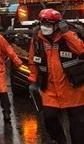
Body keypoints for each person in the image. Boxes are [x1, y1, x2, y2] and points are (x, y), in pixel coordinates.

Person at [28, 8, 84, 144]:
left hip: (73, 89)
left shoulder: (70, 35)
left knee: (78, 127)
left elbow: (81, 50)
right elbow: (33, 61)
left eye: (48, 24)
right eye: (42, 24)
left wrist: (66, 33)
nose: (44, 27)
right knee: (49, 118)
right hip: (50, 90)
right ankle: (60, 141)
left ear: (57, 24)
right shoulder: (37, 39)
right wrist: (33, 80)